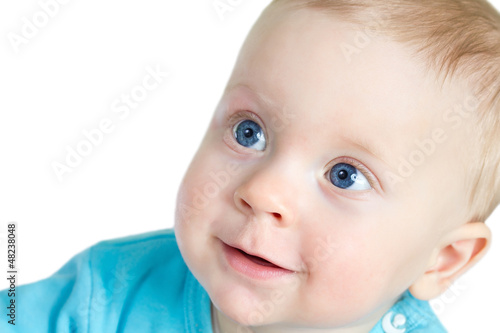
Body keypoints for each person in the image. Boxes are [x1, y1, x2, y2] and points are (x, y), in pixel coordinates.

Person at [2, 0, 499, 332]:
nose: (263, 192)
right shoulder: (106, 296)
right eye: (249, 132)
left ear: (443, 260)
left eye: (344, 175)